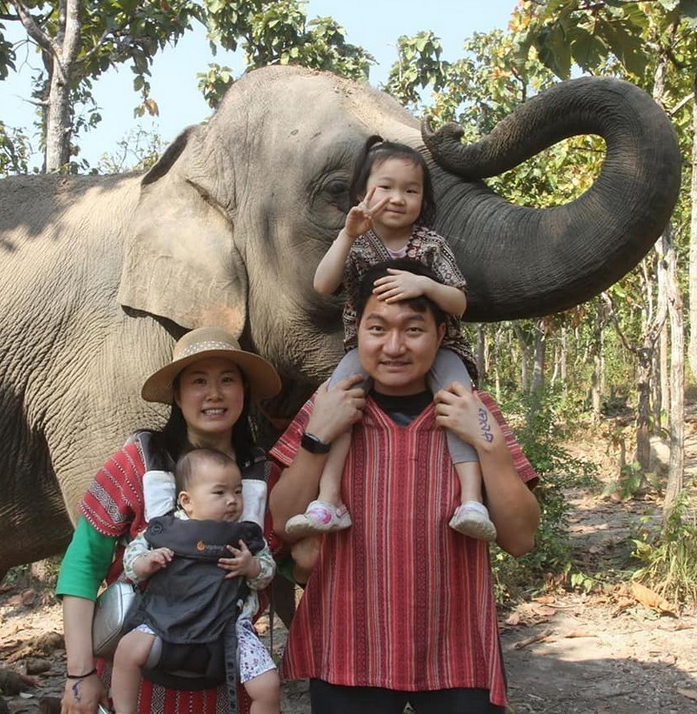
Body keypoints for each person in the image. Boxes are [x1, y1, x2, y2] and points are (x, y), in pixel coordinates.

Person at [269, 260, 540, 714]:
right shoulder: (328, 405)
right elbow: (281, 522)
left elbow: (520, 538)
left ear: (439, 335)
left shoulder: (472, 408)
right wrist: (317, 439)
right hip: (347, 650)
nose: (393, 346)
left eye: (413, 329)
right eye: (377, 328)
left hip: (458, 653)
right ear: (357, 334)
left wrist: (486, 442)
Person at [57, 326, 283, 714]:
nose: (214, 394)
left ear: (244, 393)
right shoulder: (138, 462)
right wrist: (79, 674)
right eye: (199, 382)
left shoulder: (264, 476)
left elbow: (291, 561)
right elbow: (84, 562)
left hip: (228, 676)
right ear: (177, 395)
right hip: (140, 671)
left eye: (227, 380)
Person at [285, 137, 496, 543]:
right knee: (337, 397)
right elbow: (323, 283)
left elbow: (459, 302)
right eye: (386, 187)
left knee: (460, 400)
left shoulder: (431, 245)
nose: (398, 198)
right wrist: (347, 234)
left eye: (411, 190)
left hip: (439, 348)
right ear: (362, 194)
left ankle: (472, 499)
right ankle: (329, 500)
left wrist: (424, 284)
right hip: (365, 353)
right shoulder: (357, 243)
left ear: (424, 199)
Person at [111, 448, 280, 714]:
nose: (232, 500)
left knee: (268, 685)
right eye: (219, 492)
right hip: (165, 620)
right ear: (186, 501)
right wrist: (147, 562)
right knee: (126, 651)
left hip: (230, 628)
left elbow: (266, 574)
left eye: (237, 491)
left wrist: (252, 567)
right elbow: (132, 562)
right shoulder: (166, 529)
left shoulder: (245, 535)